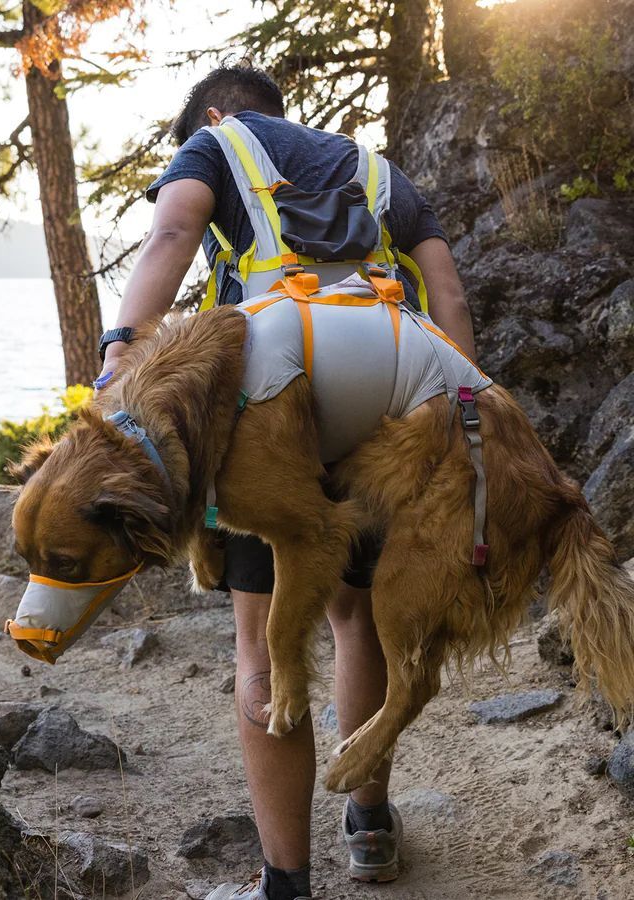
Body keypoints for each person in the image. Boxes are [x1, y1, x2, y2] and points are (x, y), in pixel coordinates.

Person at [97, 64, 477, 900]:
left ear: (215, 115)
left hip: (266, 418)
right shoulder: (375, 169)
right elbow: (446, 292)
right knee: (354, 619)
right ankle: (369, 824)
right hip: (384, 408)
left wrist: (118, 353)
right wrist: (466, 419)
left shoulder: (217, 144)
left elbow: (170, 235)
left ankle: (287, 881)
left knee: (261, 644)